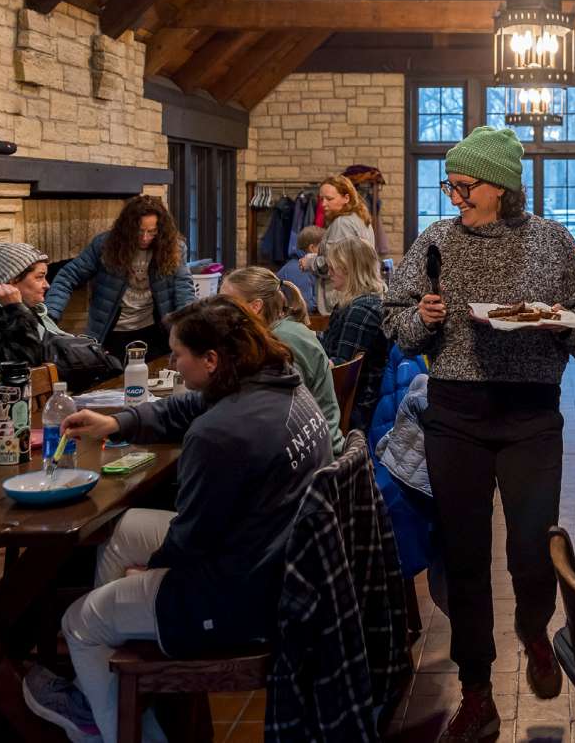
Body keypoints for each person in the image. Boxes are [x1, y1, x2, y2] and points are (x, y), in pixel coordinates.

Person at [383, 126, 575, 743]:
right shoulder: (433, 242)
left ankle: (536, 627)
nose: (453, 195)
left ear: (502, 186)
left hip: (532, 413)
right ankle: (477, 690)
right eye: (449, 184)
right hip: (454, 413)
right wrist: (421, 319)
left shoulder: (551, 242)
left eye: (464, 185)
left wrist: (563, 325)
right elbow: (394, 315)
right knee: (463, 553)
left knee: (533, 546)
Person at [23, 297, 328, 743]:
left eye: (179, 354)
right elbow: (186, 409)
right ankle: (112, 692)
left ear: (211, 359)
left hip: (237, 599)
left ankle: (110, 728)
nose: (174, 365)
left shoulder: (218, 433)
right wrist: (118, 423)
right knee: (124, 529)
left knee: (78, 622)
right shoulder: (281, 386)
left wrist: (156, 568)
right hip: (277, 565)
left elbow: (191, 540)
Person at [45, 195, 195, 362]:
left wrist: (186, 329)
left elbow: (184, 288)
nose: (145, 238)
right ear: (128, 228)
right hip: (112, 334)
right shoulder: (105, 245)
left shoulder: (174, 248)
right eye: (139, 231)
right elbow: (68, 276)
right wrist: (50, 315)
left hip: (155, 333)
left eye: (152, 232)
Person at [222, 265, 346, 456]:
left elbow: (281, 416)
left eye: (227, 304)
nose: (219, 310)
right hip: (314, 445)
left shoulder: (281, 344)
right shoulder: (285, 330)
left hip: (315, 457)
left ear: (255, 307)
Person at [0, 242, 74, 381]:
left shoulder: (28, 312)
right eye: (39, 277)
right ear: (12, 281)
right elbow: (29, 367)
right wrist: (15, 308)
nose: (47, 285)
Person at [319, 235, 390, 439]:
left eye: (334, 268)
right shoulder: (357, 302)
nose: (329, 273)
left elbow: (341, 370)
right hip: (352, 398)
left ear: (351, 270)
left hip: (355, 406)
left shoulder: (362, 309)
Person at [302, 174, 376, 316]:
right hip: (356, 295)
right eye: (321, 199)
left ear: (346, 198)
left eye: (329, 199)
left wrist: (310, 262)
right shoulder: (359, 219)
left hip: (341, 298)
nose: (323, 204)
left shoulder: (342, 223)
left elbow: (334, 264)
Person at [277, 225, 325, 313]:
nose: (326, 252)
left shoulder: (298, 265)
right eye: (323, 247)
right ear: (312, 248)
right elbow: (305, 305)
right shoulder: (298, 270)